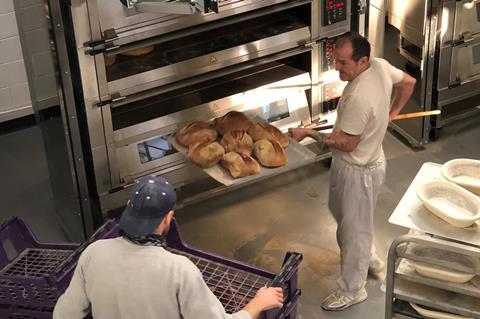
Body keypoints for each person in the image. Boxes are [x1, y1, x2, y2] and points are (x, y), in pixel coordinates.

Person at [289, 33, 416, 311]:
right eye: (336, 60)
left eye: (343, 63)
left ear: (362, 61)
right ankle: (367, 256)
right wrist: (390, 114)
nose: (337, 67)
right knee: (345, 217)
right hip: (361, 161)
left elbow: (347, 143)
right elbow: (408, 83)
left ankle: (352, 289)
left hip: (358, 169)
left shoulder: (360, 97)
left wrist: (309, 133)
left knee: (352, 231)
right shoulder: (380, 66)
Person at [53, 175, 283, 319]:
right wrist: (257, 303)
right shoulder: (178, 269)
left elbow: (64, 315)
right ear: (167, 218)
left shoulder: (94, 252)